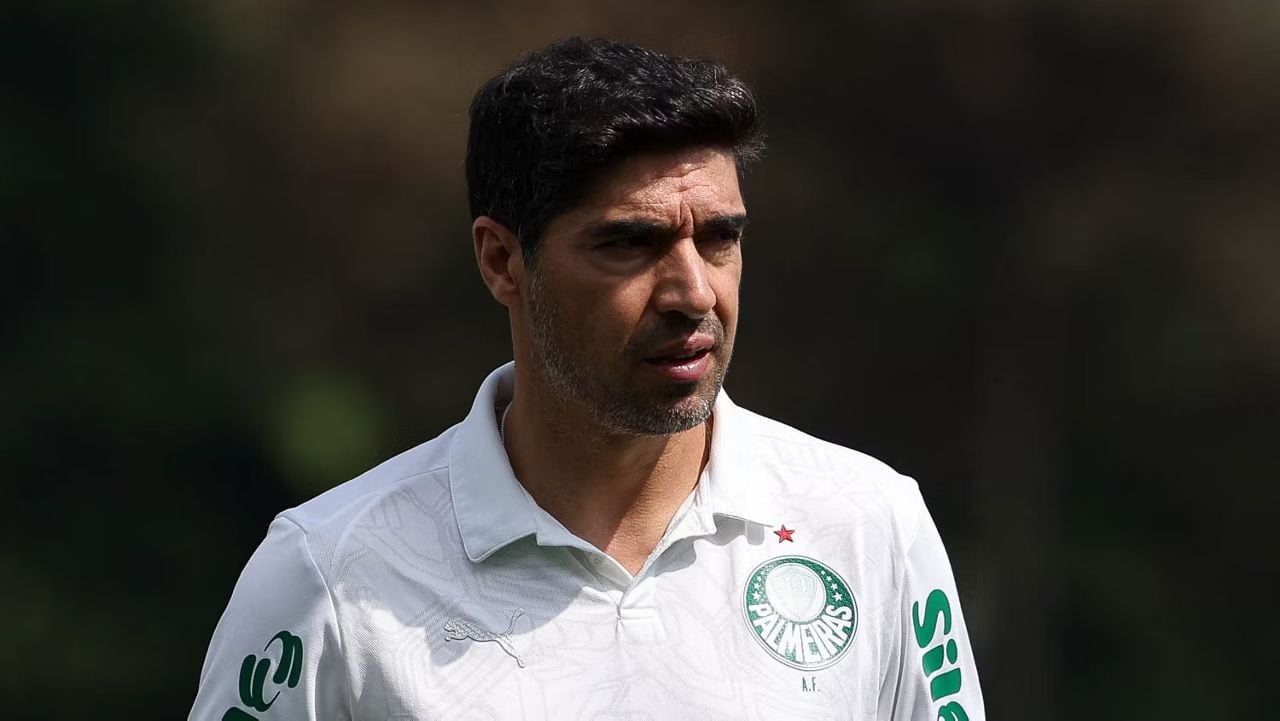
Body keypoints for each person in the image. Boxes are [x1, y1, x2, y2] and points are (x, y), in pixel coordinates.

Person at [190, 36, 985, 720]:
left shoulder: (869, 524)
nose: (693, 292)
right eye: (629, 244)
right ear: (503, 260)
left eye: (719, 238)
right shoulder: (328, 574)